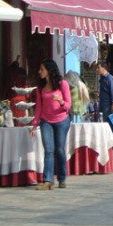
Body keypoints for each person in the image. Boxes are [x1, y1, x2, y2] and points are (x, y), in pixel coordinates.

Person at [29, 59, 72, 190]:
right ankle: (48, 180)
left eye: (42, 69)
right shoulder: (40, 87)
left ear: (49, 70)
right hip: (46, 121)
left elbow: (68, 105)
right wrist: (35, 124)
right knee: (48, 150)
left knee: (59, 150)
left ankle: (62, 178)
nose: (39, 72)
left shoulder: (62, 84)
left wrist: (61, 102)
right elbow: (39, 108)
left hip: (62, 120)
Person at [97, 61, 113, 125]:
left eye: (98, 68)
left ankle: (112, 134)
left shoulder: (110, 78)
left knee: (108, 123)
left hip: (108, 104)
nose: (97, 70)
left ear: (104, 68)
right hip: (102, 104)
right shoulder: (102, 79)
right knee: (104, 122)